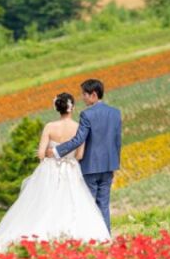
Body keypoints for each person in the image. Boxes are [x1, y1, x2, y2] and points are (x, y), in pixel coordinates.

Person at [0, 92, 111, 256]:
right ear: (72, 108)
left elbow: (40, 154)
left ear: (57, 108)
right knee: (73, 203)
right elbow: (80, 155)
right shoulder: (78, 127)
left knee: (44, 203)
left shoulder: (49, 126)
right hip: (70, 169)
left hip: (49, 170)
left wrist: (50, 155)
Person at [47, 79, 121, 232]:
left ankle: (90, 236)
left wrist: (56, 151)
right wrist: (114, 163)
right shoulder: (115, 113)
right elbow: (117, 141)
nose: (82, 98)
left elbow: (79, 139)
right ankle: (105, 237)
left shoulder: (86, 114)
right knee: (103, 204)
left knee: (87, 204)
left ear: (93, 95)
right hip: (109, 166)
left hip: (90, 166)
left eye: (84, 95)